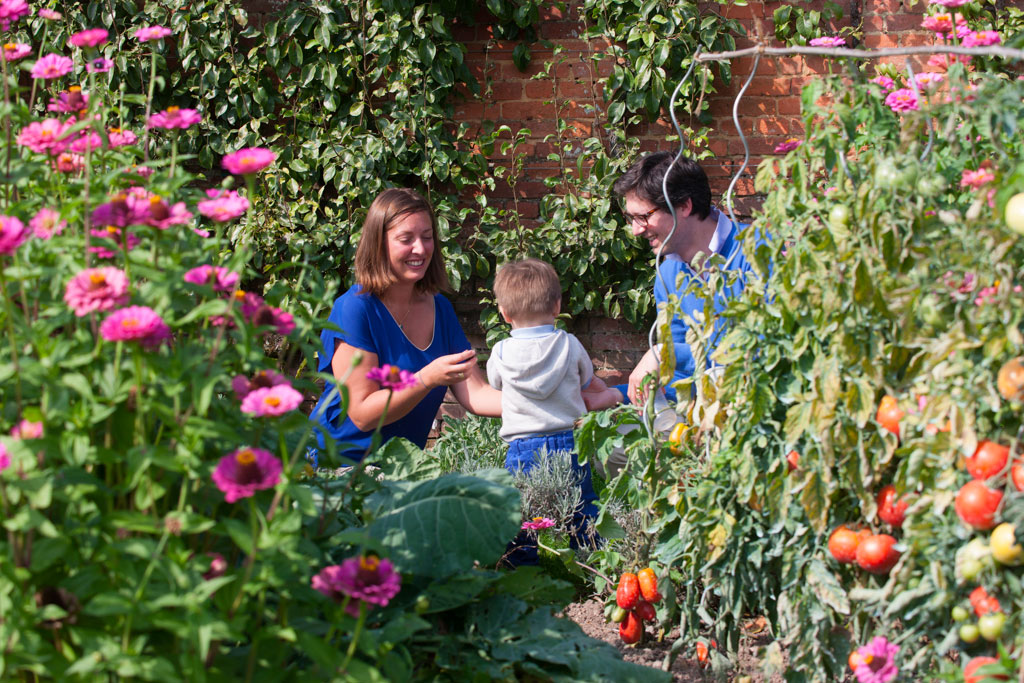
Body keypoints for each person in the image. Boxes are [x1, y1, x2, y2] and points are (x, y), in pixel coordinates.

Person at [309, 188, 501, 464]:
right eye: (406, 239)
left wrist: (548, 403)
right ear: (379, 243)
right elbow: (362, 414)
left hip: (399, 472)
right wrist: (425, 379)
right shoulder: (355, 309)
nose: (420, 249)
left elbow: (478, 395)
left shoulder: (441, 309)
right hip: (335, 471)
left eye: (427, 237)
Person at [485, 258, 618, 565]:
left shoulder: (501, 352)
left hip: (523, 448)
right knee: (581, 506)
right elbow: (586, 379)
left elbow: (495, 384)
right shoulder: (570, 345)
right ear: (557, 306)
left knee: (521, 513)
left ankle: (519, 571)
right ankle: (596, 565)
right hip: (568, 441)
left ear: (504, 313)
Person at [610, 151, 757, 407]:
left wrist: (665, 354)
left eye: (643, 217)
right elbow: (683, 379)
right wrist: (616, 395)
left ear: (684, 206)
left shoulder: (755, 252)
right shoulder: (669, 273)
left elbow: (764, 357)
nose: (635, 231)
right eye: (631, 218)